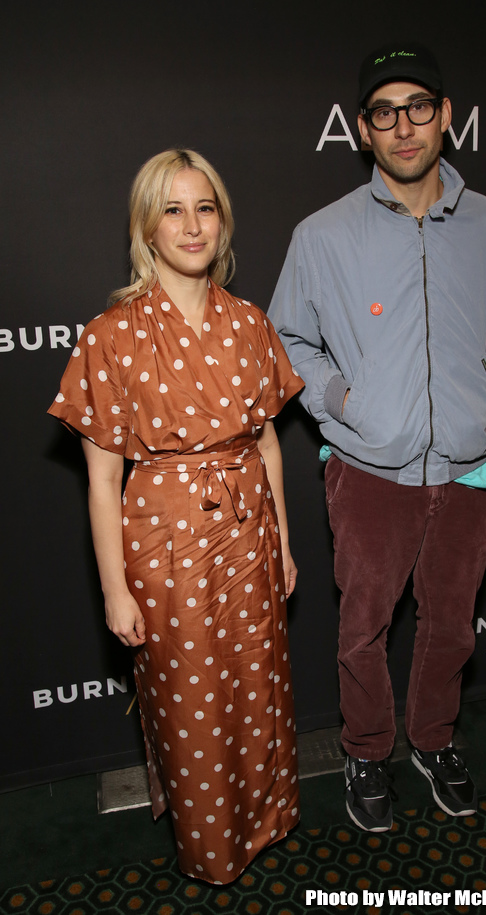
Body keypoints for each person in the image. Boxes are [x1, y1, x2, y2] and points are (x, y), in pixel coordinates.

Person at [269, 43, 486, 832]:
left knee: (450, 625)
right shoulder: (323, 234)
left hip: (465, 464)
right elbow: (289, 341)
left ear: (445, 116)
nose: (404, 127)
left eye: (420, 107)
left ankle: (434, 740)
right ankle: (365, 749)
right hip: (367, 468)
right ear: (363, 130)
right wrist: (347, 400)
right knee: (364, 628)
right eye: (385, 113)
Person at [48, 148, 304, 882]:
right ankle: (212, 847)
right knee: (190, 699)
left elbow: (266, 443)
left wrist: (282, 539)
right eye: (174, 209)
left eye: (206, 207)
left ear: (223, 222)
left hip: (249, 527)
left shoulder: (250, 322)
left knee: (259, 682)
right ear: (146, 228)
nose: (193, 226)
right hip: (165, 543)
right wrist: (114, 587)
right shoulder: (112, 335)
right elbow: (101, 481)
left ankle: (267, 818)